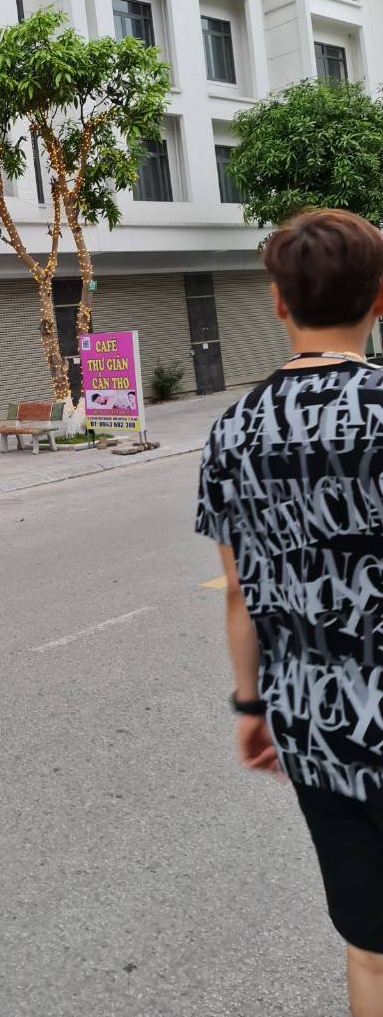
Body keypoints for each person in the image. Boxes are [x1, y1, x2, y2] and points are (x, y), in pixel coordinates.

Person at [196, 208, 383, 1017]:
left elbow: (239, 593)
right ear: (380, 297)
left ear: (278, 302)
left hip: (315, 722)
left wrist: (250, 705)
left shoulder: (232, 431)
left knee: (370, 947)